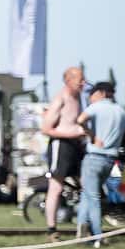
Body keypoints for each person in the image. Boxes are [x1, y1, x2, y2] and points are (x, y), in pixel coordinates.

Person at [80, 81, 125, 246]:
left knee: (94, 198)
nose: (91, 98)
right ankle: (81, 232)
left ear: (102, 93)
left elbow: (80, 119)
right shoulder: (120, 110)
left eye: (94, 94)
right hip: (109, 160)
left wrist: (91, 135)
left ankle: (96, 237)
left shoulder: (97, 107)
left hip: (94, 157)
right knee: (87, 195)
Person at [41, 65, 87, 238]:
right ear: (69, 80)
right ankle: (51, 229)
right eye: (80, 80)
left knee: (87, 185)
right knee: (56, 187)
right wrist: (72, 133)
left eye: (84, 79)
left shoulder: (79, 98)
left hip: (76, 145)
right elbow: (46, 128)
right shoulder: (60, 99)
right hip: (61, 145)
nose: (83, 83)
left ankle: (85, 225)